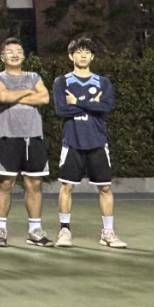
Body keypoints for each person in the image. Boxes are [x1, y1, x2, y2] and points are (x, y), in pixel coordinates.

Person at [53, 37, 125, 248]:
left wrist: (77, 102)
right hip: (72, 142)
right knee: (67, 187)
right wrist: (92, 104)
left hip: (97, 141)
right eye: (78, 52)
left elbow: (106, 107)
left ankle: (108, 233)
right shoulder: (62, 82)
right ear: (71, 56)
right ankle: (64, 231)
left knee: (105, 188)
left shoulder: (103, 82)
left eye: (87, 52)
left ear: (92, 56)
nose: (83, 55)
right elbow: (61, 110)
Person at [0, 37, 52, 247]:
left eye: (18, 50)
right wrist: (28, 91)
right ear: (2, 57)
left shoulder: (34, 76)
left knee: (34, 184)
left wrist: (13, 95)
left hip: (33, 136)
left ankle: (34, 230)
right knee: (5, 183)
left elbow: (44, 98)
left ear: (23, 55)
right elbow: (2, 97)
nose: (14, 54)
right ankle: (0, 230)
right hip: (7, 136)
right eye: (10, 51)